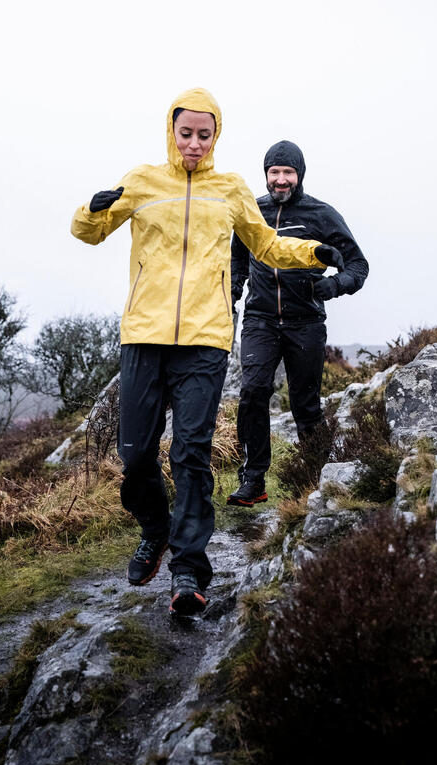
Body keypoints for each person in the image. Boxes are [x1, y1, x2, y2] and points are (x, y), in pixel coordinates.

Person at [70, 90, 344, 615]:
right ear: (171, 131)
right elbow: (88, 233)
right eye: (186, 132)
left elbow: (265, 244)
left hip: (205, 339)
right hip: (144, 337)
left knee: (191, 453)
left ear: (216, 135)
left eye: (205, 134)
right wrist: (91, 208)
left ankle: (189, 570)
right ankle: (155, 530)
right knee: (135, 457)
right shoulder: (144, 181)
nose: (194, 143)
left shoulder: (231, 189)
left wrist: (313, 252)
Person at [226, 140, 369, 507]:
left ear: (299, 175)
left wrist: (332, 286)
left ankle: (314, 475)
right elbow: (238, 259)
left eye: (288, 172)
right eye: (274, 172)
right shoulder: (252, 212)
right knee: (253, 392)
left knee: (306, 405)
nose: (281, 180)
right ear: (266, 175)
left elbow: (358, 265)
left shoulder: (321, 214)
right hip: (260, 319)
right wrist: (232, 293)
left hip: (305, 321)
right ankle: (253, 479)